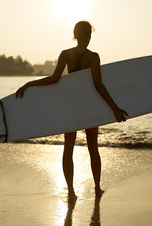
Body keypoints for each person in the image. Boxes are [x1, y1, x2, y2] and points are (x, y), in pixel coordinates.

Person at [16, 21, 128, 200]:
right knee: (93, 148)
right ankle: (97, 188)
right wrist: (114, 109)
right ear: (89, 36)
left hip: (70, 107)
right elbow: (98, 84)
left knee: (68, 148)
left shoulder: (66, 54)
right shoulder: (93, 57)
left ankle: (71, 192)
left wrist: (30, 83)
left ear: (75, 35)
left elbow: (54, 79)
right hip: (89, 107)